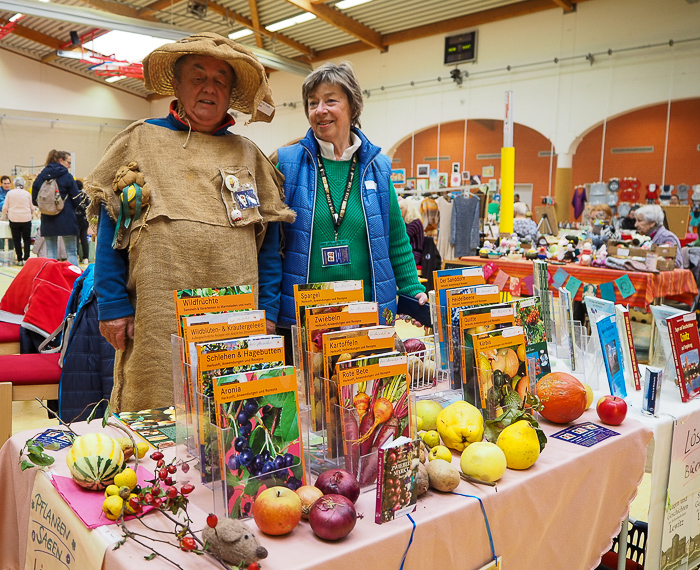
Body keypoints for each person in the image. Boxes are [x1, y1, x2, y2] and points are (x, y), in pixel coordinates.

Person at [84, 33, 294, 412]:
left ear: (230, 94)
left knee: (231, 417)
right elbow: (113, 229)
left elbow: (269, 249)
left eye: (220, 81)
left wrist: (267, 310)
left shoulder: (249, 155)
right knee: (154, 408)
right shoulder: (140, 141)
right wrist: (112, 304)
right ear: (177, 85)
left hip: (236, 323)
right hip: (157, 316)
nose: (209, 88)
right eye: (198, 77)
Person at [276, 62, 426, 330]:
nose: (320, 110)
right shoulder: (288, 165)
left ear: (353, 107)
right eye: (313, 103)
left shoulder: (377, 168)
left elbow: (396, 238)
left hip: (366, 317)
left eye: (330, 100)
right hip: (305, 319)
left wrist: (412, 288)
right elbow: (271, 249)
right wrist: (268, 308)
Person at [31, 150, 81, 266]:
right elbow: (76, 199)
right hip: (67, 217)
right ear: (61, 160)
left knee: (50, 251)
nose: (70, 166)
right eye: (69, 162)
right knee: (71, 251)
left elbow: (34, 199)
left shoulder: (41, 176)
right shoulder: (67, 177)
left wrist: (47, 207)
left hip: (48, 218)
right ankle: (74, 276)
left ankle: (51, 276)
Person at [1, 176, 33, 265]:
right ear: (23, 184)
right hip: (26, 219)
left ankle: (19, 259)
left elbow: (5, 207)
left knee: (16, 239)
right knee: (27, 239)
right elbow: (32, 207)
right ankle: (26, 258)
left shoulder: (10, 194)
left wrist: (3, 217)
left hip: (14, 219)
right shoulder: (27, 194)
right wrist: (31, 214)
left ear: (14, 184)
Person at [74, 180, 91, 264]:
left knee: (76, 239)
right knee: (84, 239)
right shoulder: (86, 196)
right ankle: (85, 258)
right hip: (85, 220)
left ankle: (76, 256)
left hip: (75, 220)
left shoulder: (74, 196)